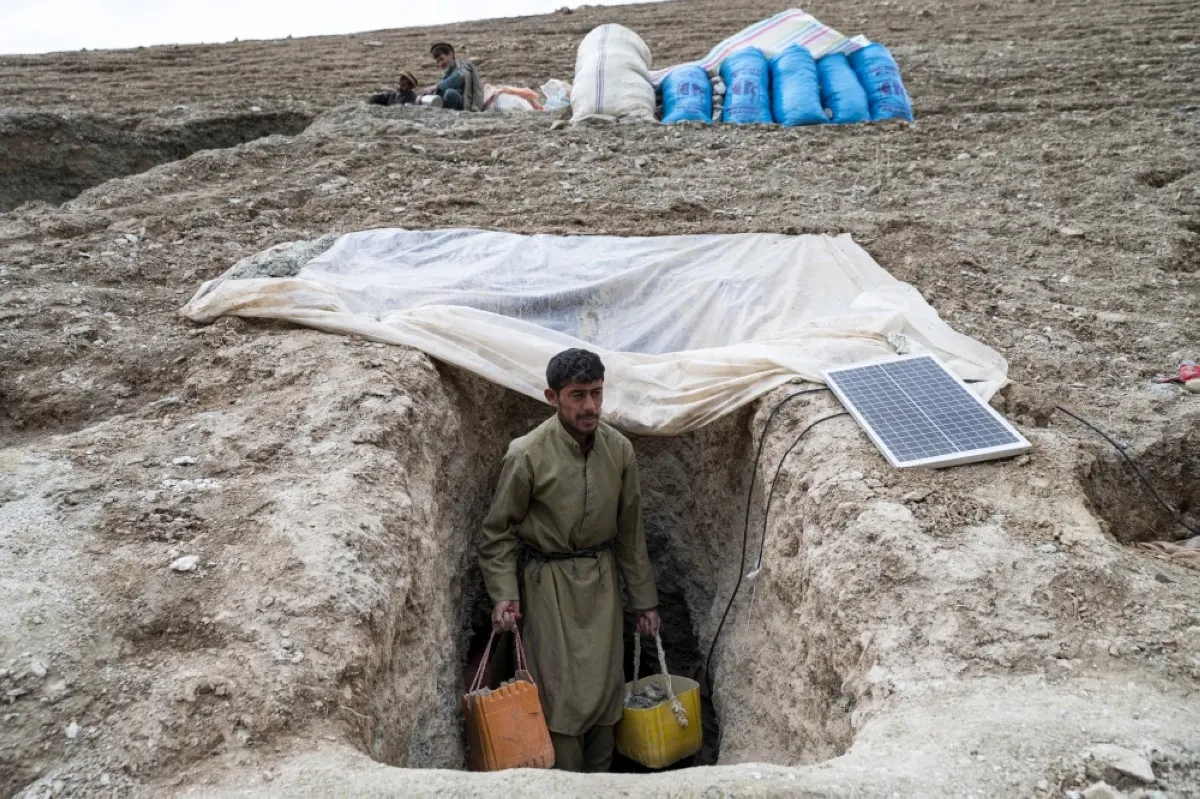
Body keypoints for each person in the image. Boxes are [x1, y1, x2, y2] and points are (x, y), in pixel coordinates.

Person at [478, 349, 660, 773]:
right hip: (547, 587)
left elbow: (631, 533)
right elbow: (497, 532)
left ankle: (599, 778)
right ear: (552, 397)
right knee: (557, 693)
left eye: (596, 393)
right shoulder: (527, 454)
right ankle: (564, 782)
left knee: (607, 687)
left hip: (602, 585)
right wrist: (504, 594)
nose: (590, 406)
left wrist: (644, 601)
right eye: (578, 395)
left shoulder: (619, 450)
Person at [419, 42, 484, 111]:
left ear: (450, 54)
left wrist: (436, 87)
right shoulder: (447, 72)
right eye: (438, 62)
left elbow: (458, 78)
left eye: (441, 59)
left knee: (450, 93)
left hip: (465, 103)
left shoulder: (463, 66)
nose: (440, 64)